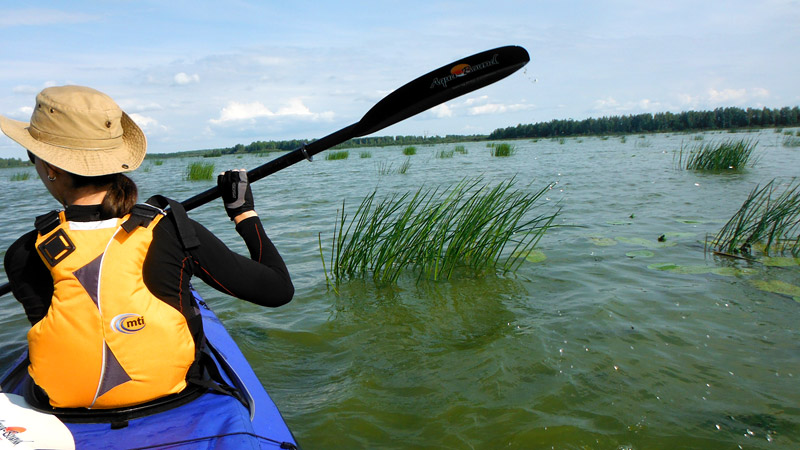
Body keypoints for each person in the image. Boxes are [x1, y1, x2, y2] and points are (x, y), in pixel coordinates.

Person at [0, 85, 293, 410]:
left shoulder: (23, 254)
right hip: (176, 398)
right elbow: (278, 289)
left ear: (51, 167)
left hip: (65, 410)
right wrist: (243, 213)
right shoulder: (172, 230)